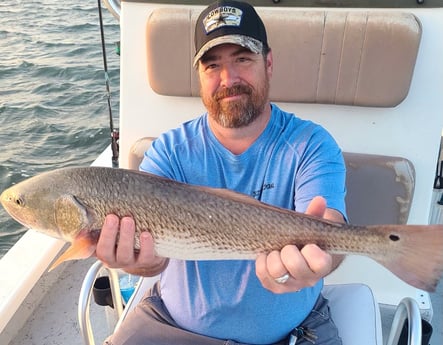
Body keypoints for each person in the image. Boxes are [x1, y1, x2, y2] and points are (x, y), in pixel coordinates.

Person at [96, 1, 347, 344]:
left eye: (242, 59)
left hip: (291, 333)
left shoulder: (311, 144)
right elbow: (150, 261)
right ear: (199, 76)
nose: (228, 79)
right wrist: (136, 263)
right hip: (170, 326)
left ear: (268, 63)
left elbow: (330, 224)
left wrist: (321, 256)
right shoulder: (170, 152)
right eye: (212, 65)